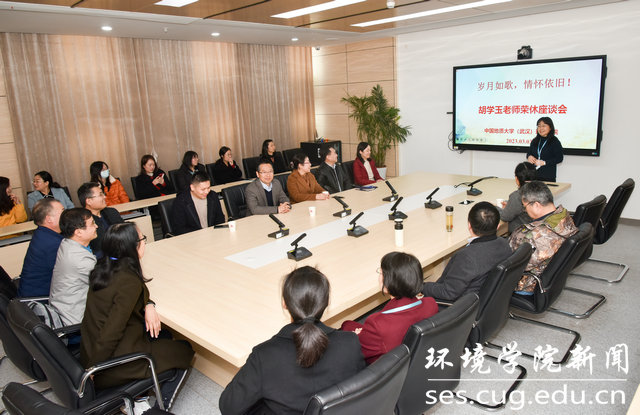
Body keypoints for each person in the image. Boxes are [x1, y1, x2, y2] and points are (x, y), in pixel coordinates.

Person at [219, 266, 365, 414]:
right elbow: (360, 389)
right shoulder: (350, 343)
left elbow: (229, 406)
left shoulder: (264, 356)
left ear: (284, 303)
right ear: (326, 302)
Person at [80, 223, 193, 410]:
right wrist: (92, 370)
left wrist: (149, 305)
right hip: (111, 364)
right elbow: (111, 332)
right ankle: (161, 408)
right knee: (184, 349)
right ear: (132, 247)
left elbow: (140, 290)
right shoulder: (128, 280)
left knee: (163, 335)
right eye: (142, 239)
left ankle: (142, 393)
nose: (144, 243)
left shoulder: (104, 267)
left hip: (90, 349)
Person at [342, 252, 438, 364]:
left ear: (390, 280)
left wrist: (356, 334)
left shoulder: (377, 324)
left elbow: (358, 349)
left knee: (346, 326)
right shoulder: (431, 304)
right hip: (418, 359)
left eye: (381, 273)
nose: (379, 277)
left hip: (385, 368)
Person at [422, 202, 513, 301]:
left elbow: (448, 292)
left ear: (469, 225)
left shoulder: (466, 257)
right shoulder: (505, 244)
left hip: (463, 305)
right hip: (487, 300)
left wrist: (422, 286)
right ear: (498, 226)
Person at [509, 181, 578, 294]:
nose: (525, 210)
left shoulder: (536, 235)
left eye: (525, 207)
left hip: (528, 285)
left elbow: (514, 265)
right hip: (550, 278)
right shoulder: (564, 216)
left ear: (536, 205)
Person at [49, 208, 97, 326]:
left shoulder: (67, 243)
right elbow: (108, 284)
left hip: (66, 309)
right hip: (78, 320)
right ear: (78, 232)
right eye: (92, 224)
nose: (96, 226)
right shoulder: (80, 260)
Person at [17, 199, 65, 297]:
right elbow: (70, 274)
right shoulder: (51, 243)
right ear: (49, 219)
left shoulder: (42, 233)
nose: (66, 215)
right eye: (63, 212)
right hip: (41, 299)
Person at [77, 182, 124, 258]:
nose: (105, 197)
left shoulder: (112, 212)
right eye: (101, 194)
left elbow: (125, 232)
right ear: (89, 201)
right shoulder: (83, 222)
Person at [498, 162, 537, 234]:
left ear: (516, 179)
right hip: (539, 233)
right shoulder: (541, 191)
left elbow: (505, 217)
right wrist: (509, 205)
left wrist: (496, 208)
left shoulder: (517, 196)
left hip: (521, 236)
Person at [526, 117, 564, 182]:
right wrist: (529, 156)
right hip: (533, 176)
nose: (541, 128)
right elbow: (529, 153)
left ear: (550, 127)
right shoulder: (535, 140)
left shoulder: (554, 141)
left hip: (547, 177)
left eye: (544, 126)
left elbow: (559, 158)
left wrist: (544, 162)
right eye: (539, 126)